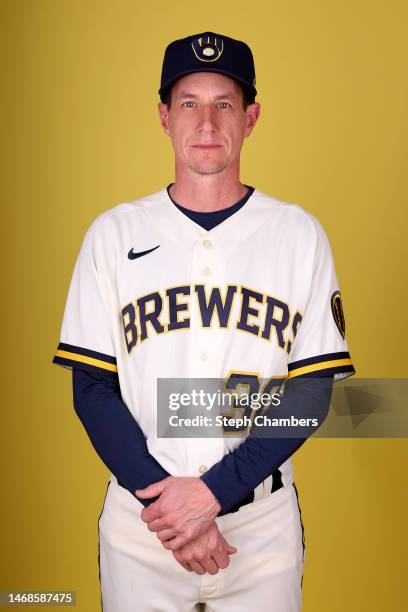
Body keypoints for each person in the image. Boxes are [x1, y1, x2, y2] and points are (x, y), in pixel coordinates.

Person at [52, 31, 355, 611]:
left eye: (225, 104)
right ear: (164, 116)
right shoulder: (113, 235)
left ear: (252, 117)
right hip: (142, 527)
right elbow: (91, 389)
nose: (207, 122)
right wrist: (172, 511)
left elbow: (312, 390)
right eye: (189, 103)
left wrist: (212, 494)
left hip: (260, 529)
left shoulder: (298, 235)